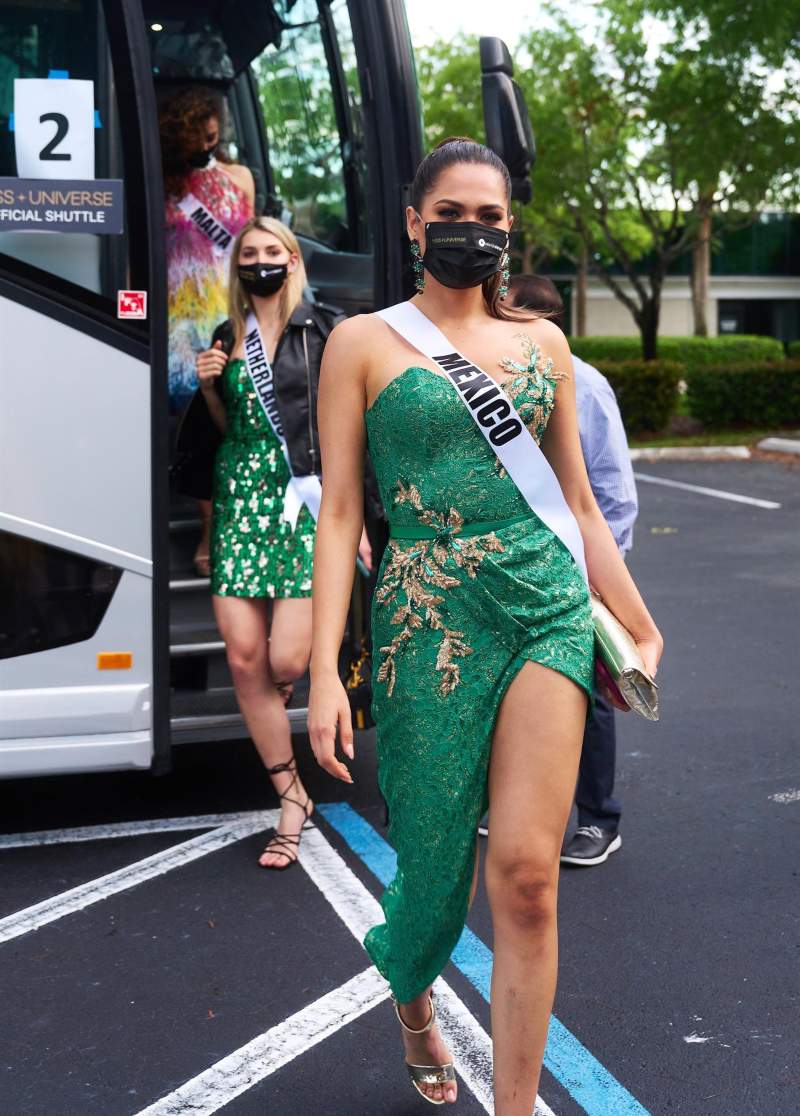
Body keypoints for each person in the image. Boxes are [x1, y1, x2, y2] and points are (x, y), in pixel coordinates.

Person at [307, 136, 662, 1111]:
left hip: (540, 608)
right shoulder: (362, 344)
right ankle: (414, 1000)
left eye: (490, 220)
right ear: (415, 223)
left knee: (524, 876)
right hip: (426, 619)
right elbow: (341, 513)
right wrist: (329, 673)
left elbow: (579, 507)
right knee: (431, 873)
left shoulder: (543, 346)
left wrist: (631, 615)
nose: (471, 233)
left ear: (510, 232)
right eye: (452, 216)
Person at [195, 216, 372, 869]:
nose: (261, 261)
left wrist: (354, 521)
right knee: (244, 659)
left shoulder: (321, 331)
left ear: (293, 259)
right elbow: (226, 427)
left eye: (273, 251)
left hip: (303, 504)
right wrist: (212, 386)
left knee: (287, 661)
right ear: (237, 265)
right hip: (240, 498)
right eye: (251, 253)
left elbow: (349, 426)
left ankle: (285, 704)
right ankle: (291, 796)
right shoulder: (226, 335)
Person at [507, 274, 639, 867]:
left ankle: (597, 819)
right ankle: (519, 809)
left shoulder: (584, 386)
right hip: (511, 563)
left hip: (575, 566)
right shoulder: (490, 380)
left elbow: (613, 491)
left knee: (588, 690)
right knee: (517, 687)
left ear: (543, 325)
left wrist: (603, 577)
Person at [160, 86, 255, 575]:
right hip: (178, 314)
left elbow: (252, 245)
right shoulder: (164, 184)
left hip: (227, 309)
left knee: (229, 412)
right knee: (195, 423)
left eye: (212, 128)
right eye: (197, 130)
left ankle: (222, 526)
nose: (208, 138)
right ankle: (209, 526)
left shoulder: (239, 178)